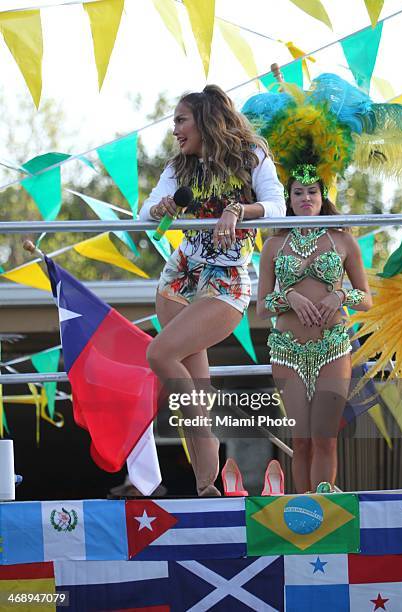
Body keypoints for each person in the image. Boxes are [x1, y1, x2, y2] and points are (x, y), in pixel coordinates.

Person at [139, 85, 285, 496]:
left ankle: (208, 455)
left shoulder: (250, 154)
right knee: (195, 390)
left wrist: (238, 209)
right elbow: (144, 209)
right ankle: (208, 486)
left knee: (158, 353)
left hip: (225, 280)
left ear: (204, 121)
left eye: (180, 121)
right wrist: (160, 209)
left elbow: (277, 206)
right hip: (179, 277)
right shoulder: (179, 166)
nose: (175, 131)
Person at [257, 165, 372, 493]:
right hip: (286, 350)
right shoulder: (273, 246)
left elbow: (366, 299)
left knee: (325, 438)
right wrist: (289, 297)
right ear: (288, 199)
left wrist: (339, 295)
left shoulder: (343, 240)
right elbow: (263, 307)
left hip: (333, 347)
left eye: (312, 192)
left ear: (323, 197)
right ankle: (303, 514)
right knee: (302, 440)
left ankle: (325, 512)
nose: (305, 198)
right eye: (298, 192)